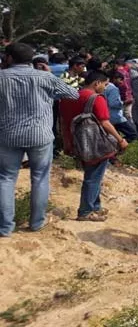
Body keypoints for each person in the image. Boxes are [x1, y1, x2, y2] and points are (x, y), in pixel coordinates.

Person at [0, 43, 79, 237]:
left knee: (6, 179)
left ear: (9, 58)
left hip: (8, 134)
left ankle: (5, 227)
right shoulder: (45, 77)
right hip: (40, 135)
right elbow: (73, 94)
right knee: (40, 178)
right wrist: (50, 74)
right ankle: (36, 223)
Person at [60, 71, 129, 222]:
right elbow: (105, 122)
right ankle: (85, 211)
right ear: (96, 83)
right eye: (105, 84)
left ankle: (95, 207)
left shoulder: (69, 97)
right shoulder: (96, 99)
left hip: (77, 142)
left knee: (93, 175)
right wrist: (120, 140)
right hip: (95, 144)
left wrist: (67, 143)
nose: (105, 88)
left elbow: (64, 122)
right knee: (93, 177)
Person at [105, 71, 138, 143]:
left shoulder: (106, 87)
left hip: (109, 116)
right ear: (114, 79)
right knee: (133, 134)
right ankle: (121, 143)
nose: (122, 82)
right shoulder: (113, 89)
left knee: (114, 135)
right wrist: (125, 102)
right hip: (116, 117)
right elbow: (113, 104)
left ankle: (117, 146)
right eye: (120, 79)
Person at [115, 56, 134, 122]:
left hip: (122, 97)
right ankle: (132, 129)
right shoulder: (127, 72)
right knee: (129, 116)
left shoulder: (117, 73)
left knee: (120, 116)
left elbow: (122, 86)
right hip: (129, 96)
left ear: (116, 65)